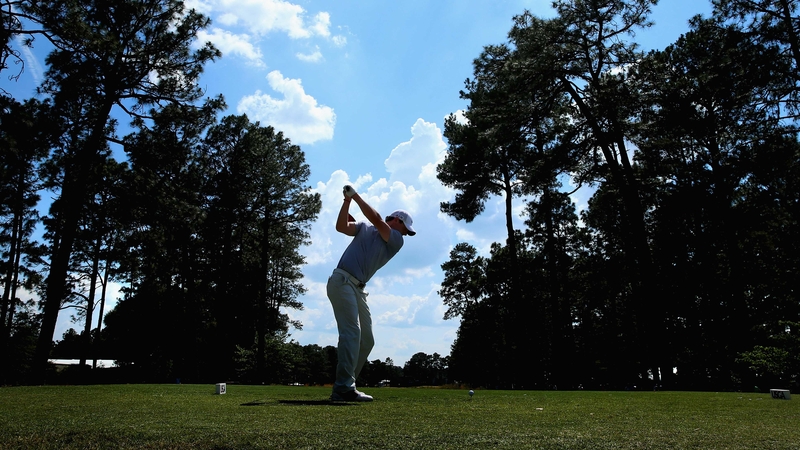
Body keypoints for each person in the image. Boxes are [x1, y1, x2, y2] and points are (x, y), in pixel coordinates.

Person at [327, 184, 416, 402]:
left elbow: (376, 220)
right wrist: (347, 201)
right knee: (352, 333)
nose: (406, 233)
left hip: (358, 288)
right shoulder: (364, 227)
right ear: (397, 221)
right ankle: (343, 388)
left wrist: (354, 196)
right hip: (342, 281)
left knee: (366, 340)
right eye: (406, 228)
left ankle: (347, 385)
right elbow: (341, 227)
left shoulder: (396, 240)